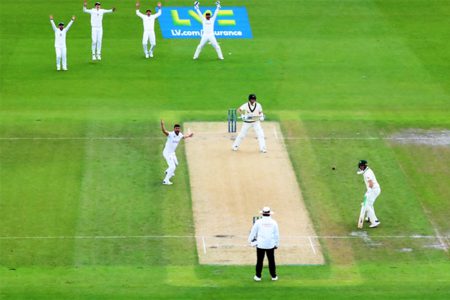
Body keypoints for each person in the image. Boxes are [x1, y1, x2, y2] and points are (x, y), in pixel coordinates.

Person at [248, 207, 279, 281]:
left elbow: (253, 232)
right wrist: (277, 244)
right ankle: (273, 276)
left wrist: (249, 240)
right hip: (270, 245)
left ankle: (258, 276)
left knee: (259, 260)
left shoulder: (258, 222)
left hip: (260, 244)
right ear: (269, 214)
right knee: (271, 261)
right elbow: (276, 235)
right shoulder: (274, 222)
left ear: (262, 214)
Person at [160, 120, 194, 185]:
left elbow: (183, 137)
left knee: (176, 164)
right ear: (174, 129)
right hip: (167, 153)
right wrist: (162, 125)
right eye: (176, 128)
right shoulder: (170, 134)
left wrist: (189, 136)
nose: (177, 129)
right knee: (172, 167)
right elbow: (164, 131)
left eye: (178, 128)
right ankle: (165, 180)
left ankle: (168, 171)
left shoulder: (180, 134)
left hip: (172, 153)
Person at [357, 160, 381, 228]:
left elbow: (371, 184)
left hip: (374, 190)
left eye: (361, 166)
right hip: (374, 190)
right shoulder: (366, 170)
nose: (360, 167)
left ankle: (375, 222)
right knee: (369, 204)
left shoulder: (367, 173)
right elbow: (363, 172)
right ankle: (369, 217)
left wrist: (368, 192)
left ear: (363, 166)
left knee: (366, 205)